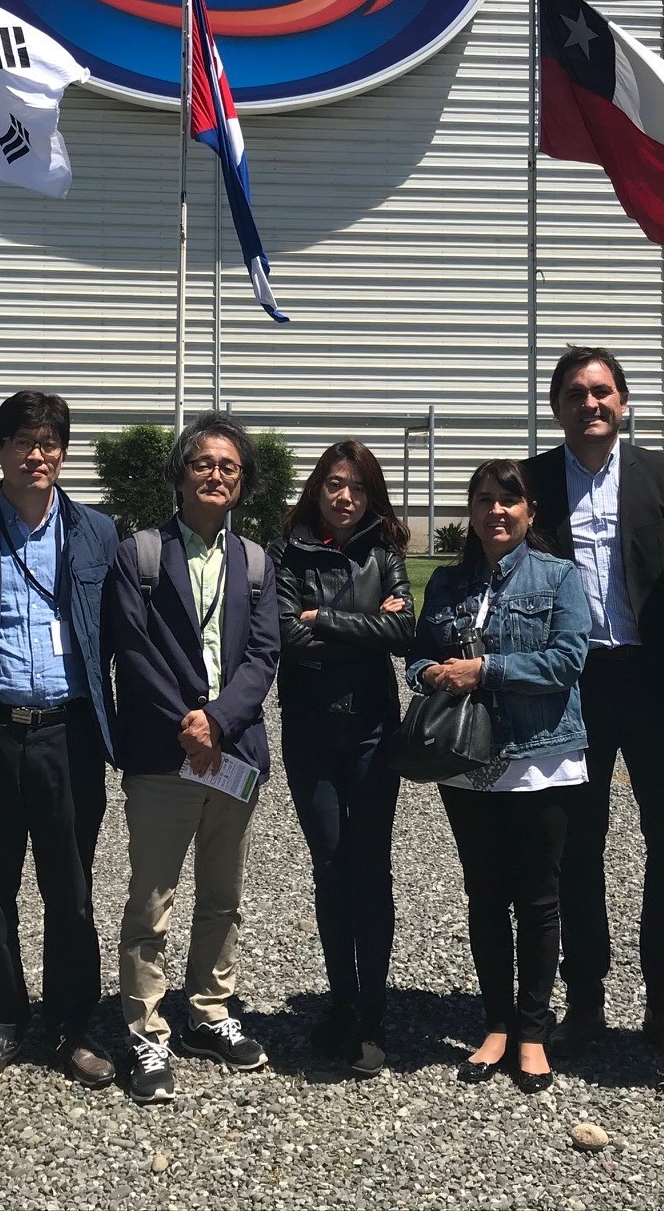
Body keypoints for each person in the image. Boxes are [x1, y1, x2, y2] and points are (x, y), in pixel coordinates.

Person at [0, 390, 120, 1091]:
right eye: (23, 442)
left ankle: (73, 1023)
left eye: (50, 443)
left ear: (63, 453)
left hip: (69, 737)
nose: (38, 455)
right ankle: (3, 1020)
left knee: (70, 889)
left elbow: (115, 633)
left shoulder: (98, 533)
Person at [524, 347, 664, 1058]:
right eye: (575, 393)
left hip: (656, 680)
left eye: (602, 392)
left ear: (623, 402)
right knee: (576, 846)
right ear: (557, 407)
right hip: (572, 686)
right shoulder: (534, 481)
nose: (590, 403)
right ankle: (587, 998)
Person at [102, 411, 281, 1104]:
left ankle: (210, 1009)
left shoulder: (256, 562)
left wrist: (221, 720)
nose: (216, 475)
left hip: (233, 752)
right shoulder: (139, 554)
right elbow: (133, 649)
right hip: (162, 753)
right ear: (179, 475)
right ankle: (145, 1028)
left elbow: (264, 654)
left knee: (222, 896)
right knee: (152, 900)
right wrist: (190, 724)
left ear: (242, 484)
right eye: (204, 464)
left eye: (229, 467)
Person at [409, 459, 590, 1095]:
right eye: (483, 500)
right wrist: (431, 672)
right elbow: (421, 653)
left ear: (529, 512)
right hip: (468, 760)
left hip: (540, 754)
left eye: (509, 501)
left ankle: (534, 1032)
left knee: (539, 898)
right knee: (485, 895)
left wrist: (482, 672)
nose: (496, 512)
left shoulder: (560, 576)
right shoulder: (448, 581)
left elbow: (569, 659)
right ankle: (496, 1024)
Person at [271, 439, 415, 1077]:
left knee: (371, 864)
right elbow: (288, 640)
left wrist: (323, 616)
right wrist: (360, 625)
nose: (345, 497)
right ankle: (341, 998)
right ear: (317, 489)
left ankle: (373, 1009)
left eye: (357, 487)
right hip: (311, 733)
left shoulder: (384, 552)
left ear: (371, 494)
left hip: (373, 733)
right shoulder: (287, 553)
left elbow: (404, 632)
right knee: (330, 866)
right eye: (333, 484)